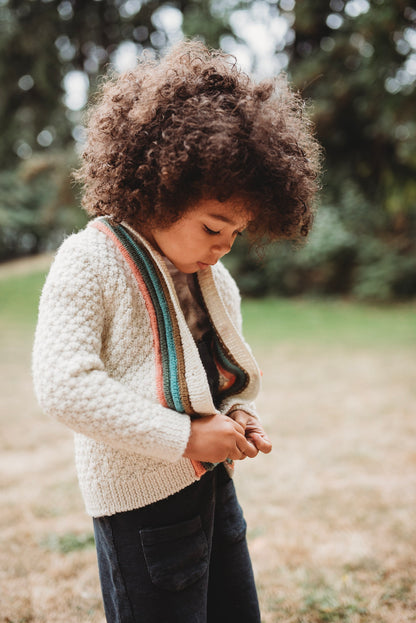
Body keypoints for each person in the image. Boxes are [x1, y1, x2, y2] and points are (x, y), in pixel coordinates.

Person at [32, 40, 321, 623]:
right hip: (141, 506)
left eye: (238, 232)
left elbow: (217, 371)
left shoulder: (214, 277)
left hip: (210, 488)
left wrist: (237, 413)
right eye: (215, 227)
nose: (225, 247)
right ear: (161, 191)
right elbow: (64, 385)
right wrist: (184, 438)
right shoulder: (89, 261)